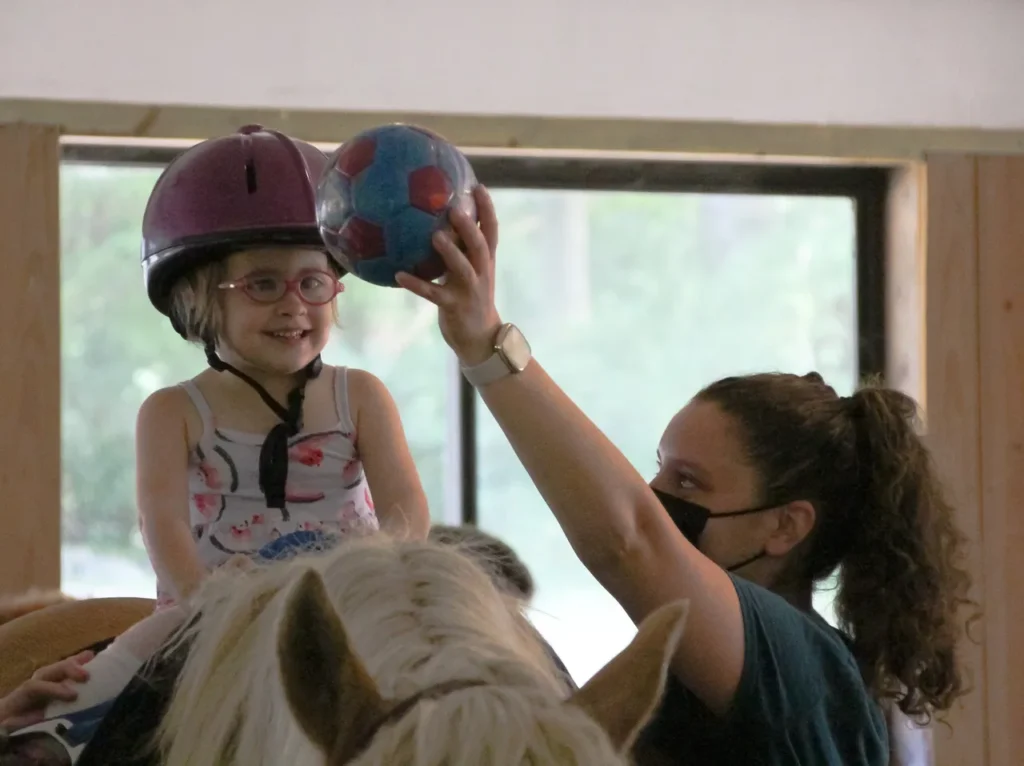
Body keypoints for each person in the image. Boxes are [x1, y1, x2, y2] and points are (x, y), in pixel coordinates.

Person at [396, 186, 976, 764]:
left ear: (785, 527)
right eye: (661, 470)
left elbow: (631, 540)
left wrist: (488, 347)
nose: (656, 497)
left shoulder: (797, 661)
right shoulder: (691, 675)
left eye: (689, 483)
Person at [7, 125, 430, 764]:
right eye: (262, 284)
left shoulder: (362, 395)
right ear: (197, 301)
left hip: (349, 597)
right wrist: (207, 598)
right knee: (91, 696)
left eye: (313, 283)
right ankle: (46, 738)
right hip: (207, 607)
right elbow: (163, 521)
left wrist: (378, 579)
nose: (295, 307)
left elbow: (407, 513)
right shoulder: (174, 410)